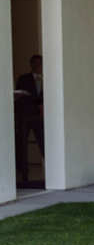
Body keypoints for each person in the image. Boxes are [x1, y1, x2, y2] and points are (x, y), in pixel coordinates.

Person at [14, 54, 44, 183]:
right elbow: (19, 96)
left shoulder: (48, 77)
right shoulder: (24, 78)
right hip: (26, 116)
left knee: (44, 142)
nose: (37, 66)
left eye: (40, 63)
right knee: (22, 144)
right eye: (35, 63)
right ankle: (22, 172)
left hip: (40, 116)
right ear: (31, 64)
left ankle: (52, 170)